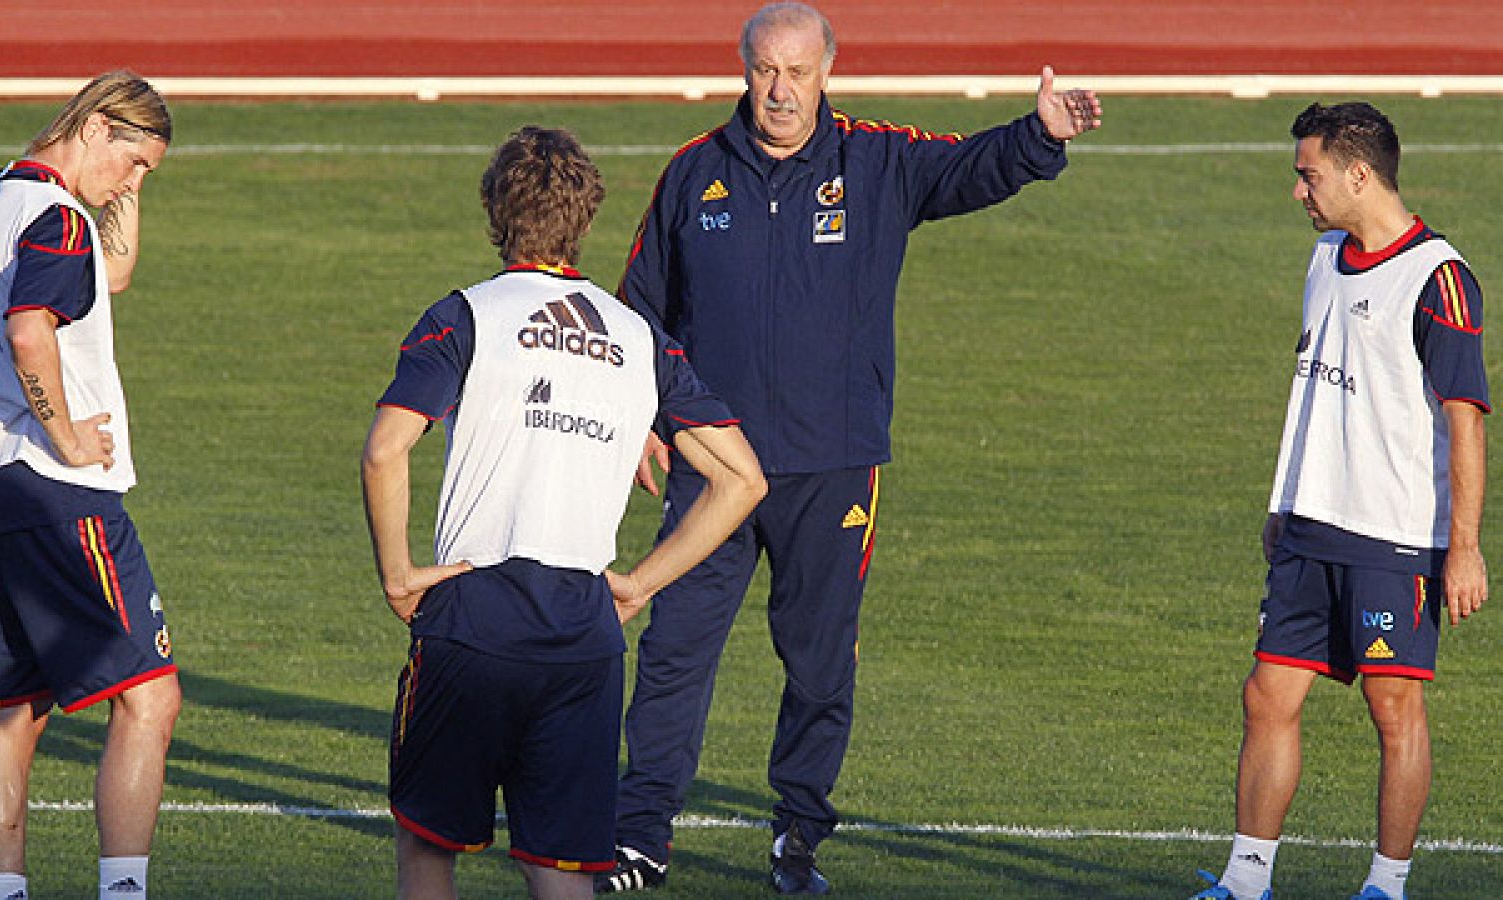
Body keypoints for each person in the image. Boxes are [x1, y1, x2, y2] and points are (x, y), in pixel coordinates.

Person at [598, 3, 1103, 894]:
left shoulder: (877, 161)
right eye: (765, 71)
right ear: (743, 69)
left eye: (797, 71)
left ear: (828, 71)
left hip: (833, 465)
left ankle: (798, 840)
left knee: (821, 661)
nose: (780, 90)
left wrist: (1039, 137)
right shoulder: (691, 175)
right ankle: (641, 839)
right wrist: (643, 417)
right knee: (674, 646)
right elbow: (639, 307)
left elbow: (968, 170)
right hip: (713, 470)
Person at [361, 125, 766, 900]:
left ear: (493, 210)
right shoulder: (641, 339)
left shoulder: (464, 317)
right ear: (586, 219)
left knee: (427, 848)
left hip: (472, 616)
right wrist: (641, 583)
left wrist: (398, 574)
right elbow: (742, 482)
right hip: (584, 632)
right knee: (560, 868)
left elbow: (386, 450)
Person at [1190, 102, 1488, 900]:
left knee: (1394, 712)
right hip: (1309, 529)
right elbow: (1317, 391)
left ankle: (1386, 886)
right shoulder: (1325, 256)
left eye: (1308, 174)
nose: (1300, 192)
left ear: (1360, 175)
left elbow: (1465, 425)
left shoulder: (1441, 280)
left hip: (1392, 538)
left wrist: (1463, 546)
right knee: (1266, 694)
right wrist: (1284, 500)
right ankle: (1246, 880)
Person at [0, 71, 180, 900]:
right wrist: (68, 434)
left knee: (14, 707)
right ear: (98, 125)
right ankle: (124, 893)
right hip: (56, 491)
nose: (134, 179)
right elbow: (30, 327)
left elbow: (105, 283)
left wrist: (120, 201)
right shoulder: (56, 219)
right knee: (151, 697)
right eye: (135, 160)